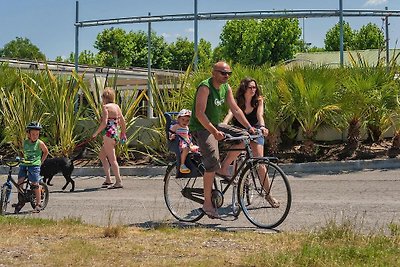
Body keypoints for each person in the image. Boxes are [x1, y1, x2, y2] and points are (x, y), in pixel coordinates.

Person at [190, 61, 256, 219]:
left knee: (246, 138)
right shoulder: (205, 87)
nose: (226, 76)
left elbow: (235, 109)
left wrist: (249, 127)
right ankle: (207, 204)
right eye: (223, 73)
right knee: (212, 161)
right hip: (201, 127)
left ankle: (224, 167)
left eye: (229, 73)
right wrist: (214, 132)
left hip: (216, 125)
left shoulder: (226, 88)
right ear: (214, 73)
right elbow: (200, 114)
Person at [222, 77, 279, 208]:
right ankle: (224, 169)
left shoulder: (258, 100)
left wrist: (263, 127)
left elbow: (260, 116)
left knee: (260, 163)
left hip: (255, 130)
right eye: (250, 87)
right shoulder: (237, 101)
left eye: (255, 87)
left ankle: (268, 194)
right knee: (239, 148)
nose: (253, 90)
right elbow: (231, 113)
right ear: (244, 88)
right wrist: (223, 126)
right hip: (240, 132)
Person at [92, 87, 127, 189]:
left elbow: (104, 123)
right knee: (102, 156)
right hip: (115, 134)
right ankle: (108, 179)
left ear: (104, 97)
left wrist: (95, 133)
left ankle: (118, 181)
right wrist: (123, 134)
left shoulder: (105, 107)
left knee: (112, 159)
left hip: (108, 135)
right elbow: (123, 121)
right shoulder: (116, 107)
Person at [15, 121, 49, 213]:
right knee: (19, 182)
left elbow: (46, 152)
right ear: (28, 134)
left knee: (35, 183)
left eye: (37, 134)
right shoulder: (25, 142)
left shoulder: (39, 143)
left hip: (34, 165)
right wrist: (20, 158)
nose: (35, 136)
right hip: (24, 164)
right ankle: (21, 201)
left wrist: (41, 161)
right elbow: (22, 152)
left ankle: (38, 204)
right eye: (33, 134)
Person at [169, 109, 199, 174]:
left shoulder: (187, 127)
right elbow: (170, 132)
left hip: (187, 142)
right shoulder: (176, 126)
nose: (185, 122)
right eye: (183, 119)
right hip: (180, 143)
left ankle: (195, 165)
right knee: (186, 148)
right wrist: (172, 136)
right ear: (179, 119)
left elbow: (187, 136)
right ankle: (182, 165)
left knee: (198, 149)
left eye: (187, 120)